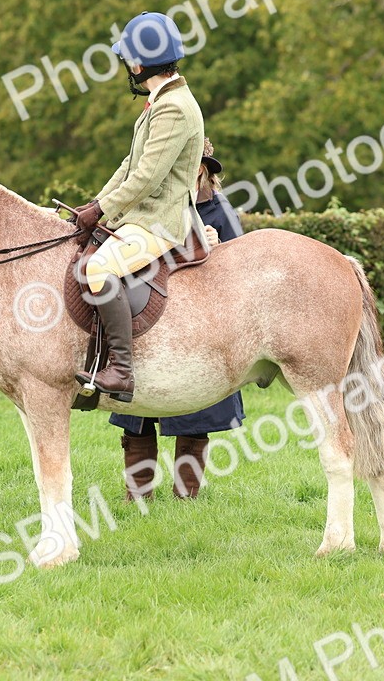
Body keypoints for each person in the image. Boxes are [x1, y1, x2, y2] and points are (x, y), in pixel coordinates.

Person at [73, 12, 204, 403]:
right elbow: (128, 167)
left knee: (99, 268)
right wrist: (97, 205)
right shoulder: (159, 102)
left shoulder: (174, 108)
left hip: (162, 221)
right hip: (142, 215)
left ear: (138, 63)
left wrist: (101, 211)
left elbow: (146, 178)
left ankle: (121, 371)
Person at [110, 139, 245, 499]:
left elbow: (241, 276)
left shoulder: (221, 213)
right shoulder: (149, 206)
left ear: (203, 169)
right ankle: (137, 494)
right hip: (149, 317)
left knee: (195, 416)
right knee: (138, 418)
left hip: (198, 327)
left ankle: (187, 497)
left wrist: (217, 250)